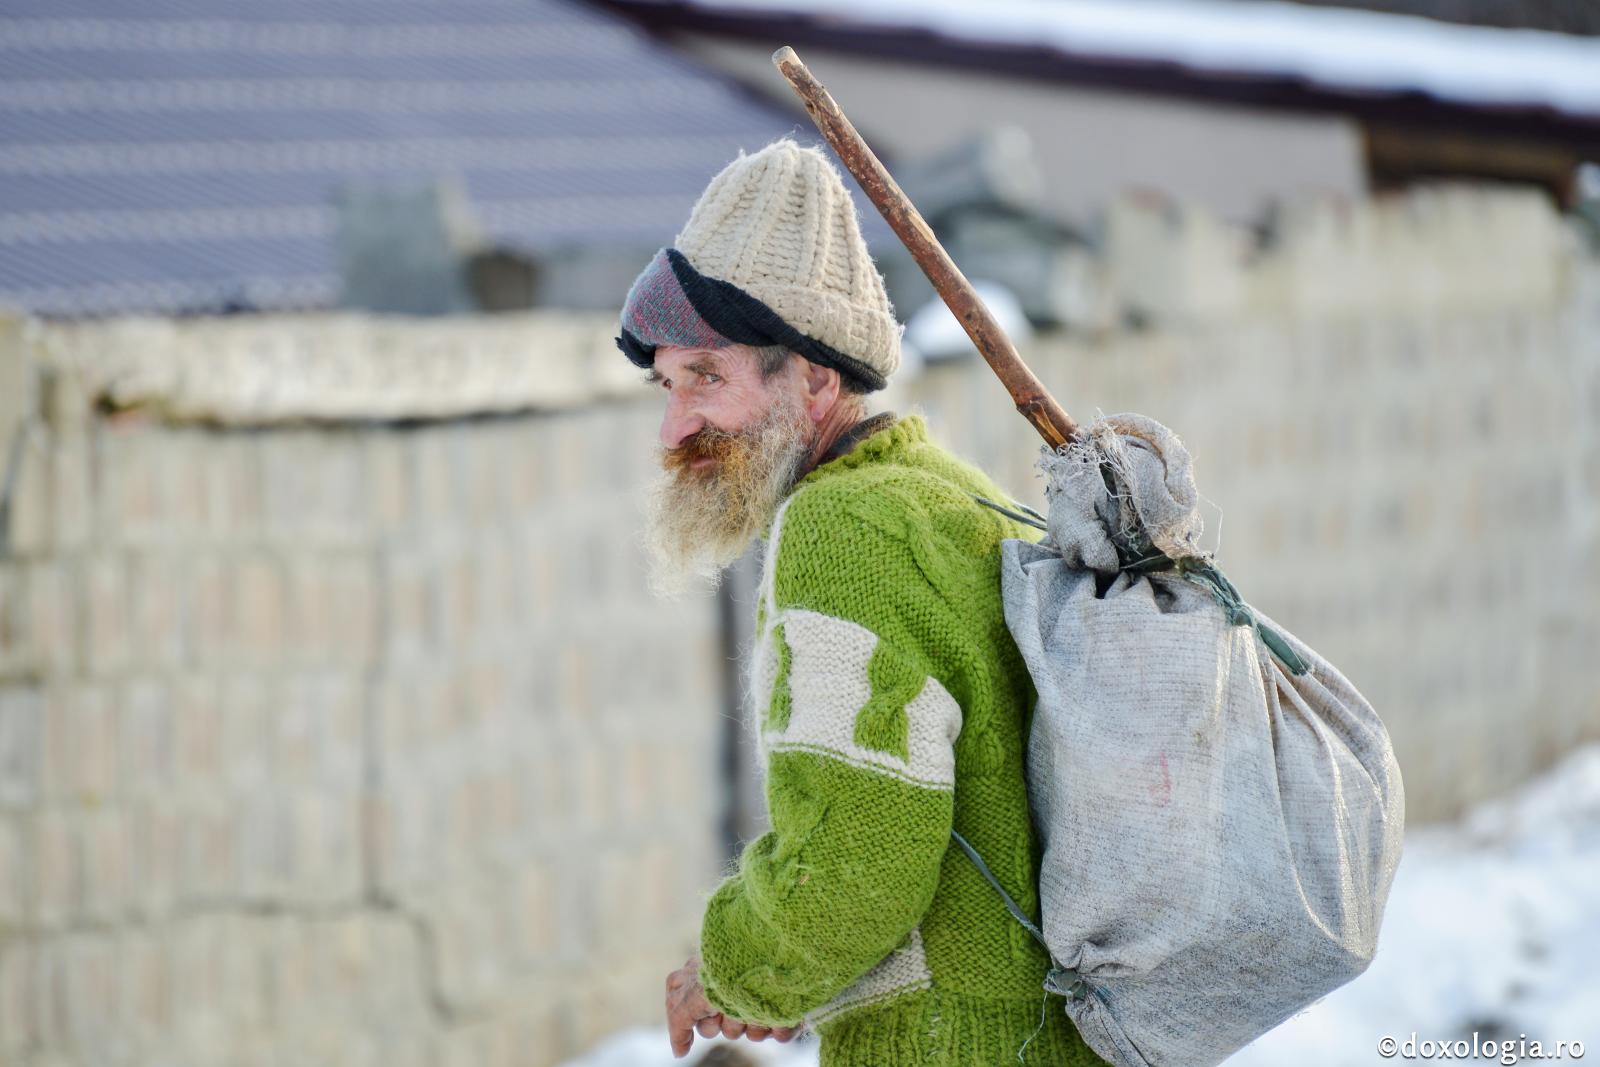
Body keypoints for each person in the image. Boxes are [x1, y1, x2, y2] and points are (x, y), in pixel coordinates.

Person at [621, 139, 1105, 1066]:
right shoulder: (939, 491)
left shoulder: (842, 532)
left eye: (708, 378)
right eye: (668, 384)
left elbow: (856, 860)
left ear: (815, 377)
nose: (675, 426)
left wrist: (728, 969)